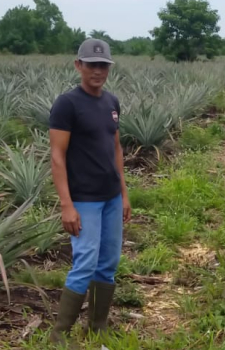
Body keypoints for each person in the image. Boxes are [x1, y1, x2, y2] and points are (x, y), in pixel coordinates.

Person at [47, 38, 131, 344]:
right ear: (78, 65)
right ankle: (60, 335)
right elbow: (57, 156)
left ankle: (97, 326)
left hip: (111, 197)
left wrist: (124, 193)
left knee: (108, 264)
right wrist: (66, 205)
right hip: (84, 200)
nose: (98, 71)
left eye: (103, 65)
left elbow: (116, 148)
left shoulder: (111, 102)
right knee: (84, 263)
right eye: (92, 65)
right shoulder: (67, 104)